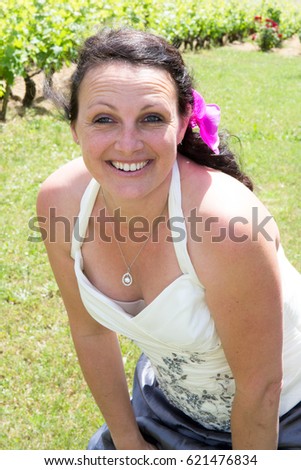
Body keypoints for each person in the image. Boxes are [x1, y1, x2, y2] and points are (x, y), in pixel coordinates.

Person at [37, 27, 301, 450]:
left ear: (181, 126)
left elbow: (262, 388)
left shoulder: (229, 226)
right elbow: (89, 332)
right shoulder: (60, 204)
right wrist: (128, 443)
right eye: (104, 119)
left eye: (151, 118)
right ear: (74, 128)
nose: (127, 144)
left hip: (280, 418)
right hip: (164, 407)